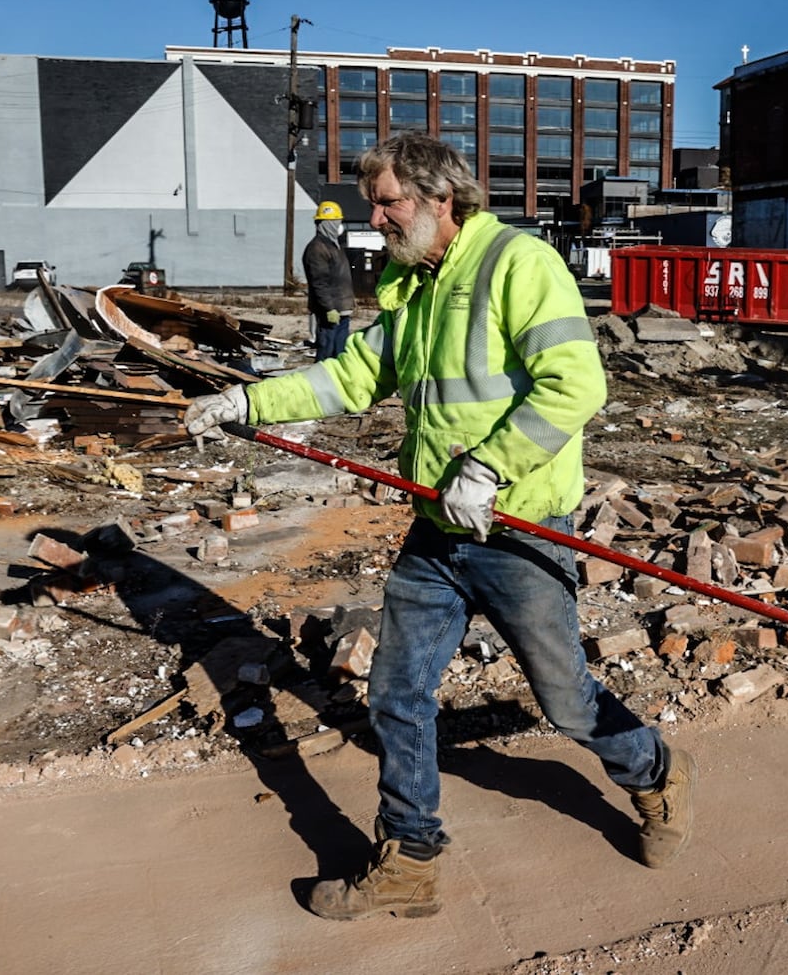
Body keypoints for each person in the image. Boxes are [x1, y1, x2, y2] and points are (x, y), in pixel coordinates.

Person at [184, 132, 694, 922]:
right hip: (437, 529)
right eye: (373, 205)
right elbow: (353, 374)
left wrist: (490, 467)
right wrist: (246, 401)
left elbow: (576, 382)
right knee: (395, 692)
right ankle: (411, 857)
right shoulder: (409, 280)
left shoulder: (517, 264)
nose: (376, 217)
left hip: (519, 527)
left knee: (565, 702)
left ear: (439, 197)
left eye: (387, 202)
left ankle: (655, 771)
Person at [304, 200, 354, 361]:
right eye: (336, 221)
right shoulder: (317, 249)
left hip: (342, 310)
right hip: (330, 313)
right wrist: (329, 308)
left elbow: (341, 277)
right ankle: (321, 384)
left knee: (339, 354)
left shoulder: (334, 246)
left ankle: (336, 385)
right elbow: (319, 283)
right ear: (327, 224)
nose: (339, 225)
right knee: (327, 353)